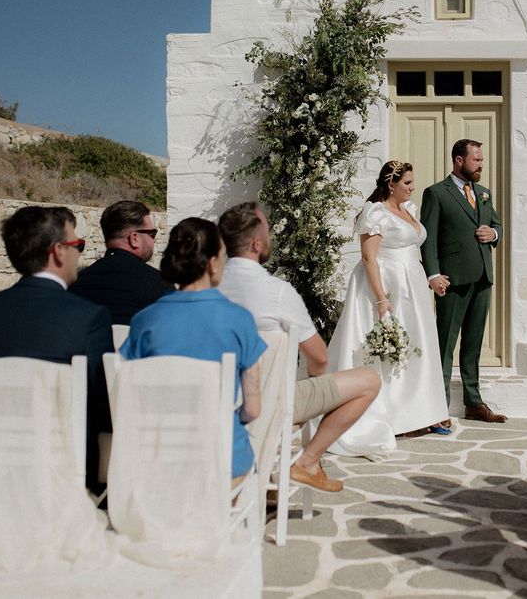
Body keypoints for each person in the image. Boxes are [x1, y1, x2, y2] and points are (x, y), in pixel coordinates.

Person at [219, 202, 381, 488]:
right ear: (257, 242)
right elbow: (318, 357)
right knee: (369, 381)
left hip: (215, 401)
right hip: (268, 402)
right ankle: (307, 462)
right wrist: (318, 394)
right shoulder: (277, 292)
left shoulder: (208, 286)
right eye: (267, 232)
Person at [0, 205, 113, 492]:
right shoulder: (88, 317)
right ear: (58, 251)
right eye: (77, 245)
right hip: (66, 473)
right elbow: (103, 405)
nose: (78, 253)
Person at [322, 161, 450, 459]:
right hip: (386, 285)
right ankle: (391, 415)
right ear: (391, 184)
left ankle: (418, 413)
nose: (412, 187)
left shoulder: (411, 210)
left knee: (415, 345)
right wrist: (381, 299)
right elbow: (369, 258)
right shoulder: (376, 212)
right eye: (407, 183)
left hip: (412, 285)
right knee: (387, 348)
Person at [120, 218, 263, 483]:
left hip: (156, 461)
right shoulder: (239, 320)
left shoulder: (144, 320)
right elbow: (253, 409)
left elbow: (128, 395)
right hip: (221, 461)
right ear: (212, 263)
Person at [420, 139, 506, 424]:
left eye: (481, 160)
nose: (481, 164)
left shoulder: (483, 193)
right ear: (459, 160)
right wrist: (433, 275)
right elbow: (428, 239)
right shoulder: (436, 193)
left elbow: (497, 225)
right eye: (476, 160)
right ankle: (438, 407)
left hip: (482, 277)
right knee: (445, 345)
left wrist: (492, 234)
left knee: (473, 343)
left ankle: (473, 401)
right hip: (452, 281)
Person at [70, 200, 172, 324]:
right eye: (152, 234)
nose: (154, 240)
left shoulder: (77, 283)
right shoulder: (160, 285)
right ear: (134, 238)